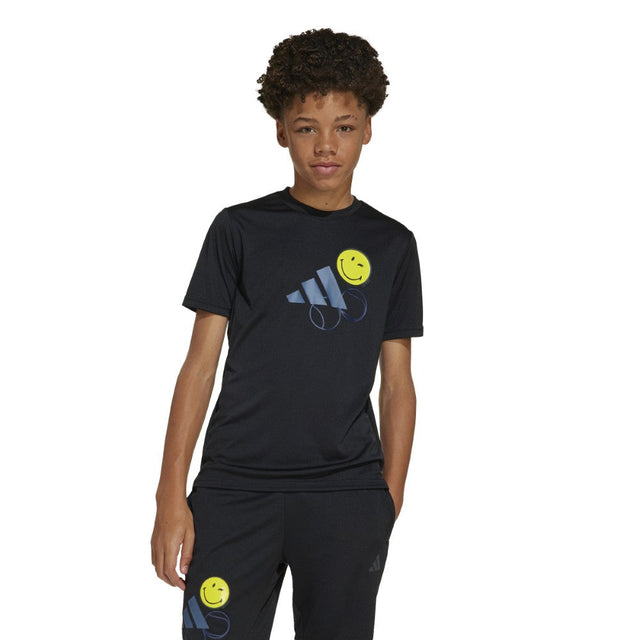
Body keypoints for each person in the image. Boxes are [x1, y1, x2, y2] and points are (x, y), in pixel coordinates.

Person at [151, 27, 423, 640]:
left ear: (368, 128)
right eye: (306, 127)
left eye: (344, 126)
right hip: (232, 491)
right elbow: (199, 366)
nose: (326, 145)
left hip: (345, 496)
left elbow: (398, 383)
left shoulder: (392, 244)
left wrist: (388, 497)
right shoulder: (238, 230)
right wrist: (170, 495)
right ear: (280, 130)